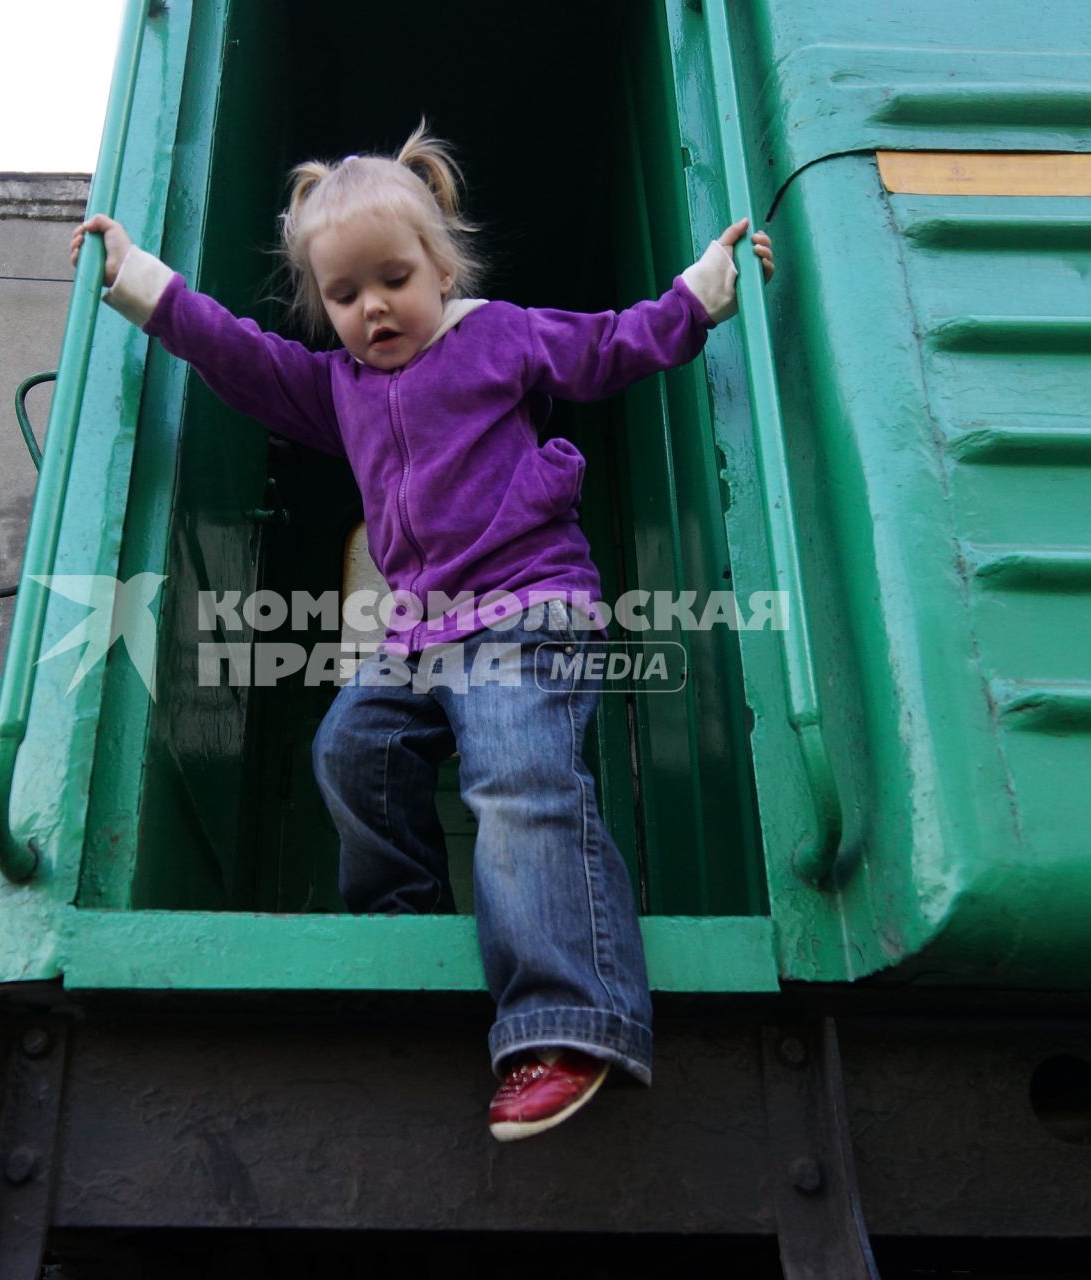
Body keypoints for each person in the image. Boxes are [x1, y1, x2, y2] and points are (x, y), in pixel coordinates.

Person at [71, 121, 775, 1141]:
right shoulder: (339, 389)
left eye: (392, 279)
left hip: (527, 604)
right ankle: (402, 928)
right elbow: (236, 351)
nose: (371, 309)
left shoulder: (499, 336)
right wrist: (143, 283)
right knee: (350, 747)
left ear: (441, 266)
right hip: (420, 630)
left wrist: (704, 289)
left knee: (515, 776)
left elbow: (617, 342)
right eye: (344, 296)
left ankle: (568, 1016)